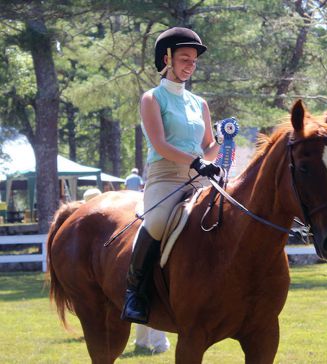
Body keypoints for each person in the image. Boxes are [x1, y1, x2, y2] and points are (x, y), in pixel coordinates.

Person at [120, 27, 221, 324]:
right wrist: (198, 161)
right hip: (166, 177)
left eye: (194, 60)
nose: (190, 64)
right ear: (167, 58)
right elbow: (161, 144)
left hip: (200, 178)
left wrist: (223, 144)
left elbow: (208, 148)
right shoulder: (152, 98)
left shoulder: (199, 103)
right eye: (185, 58)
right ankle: (134, 291)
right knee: (159, 220)